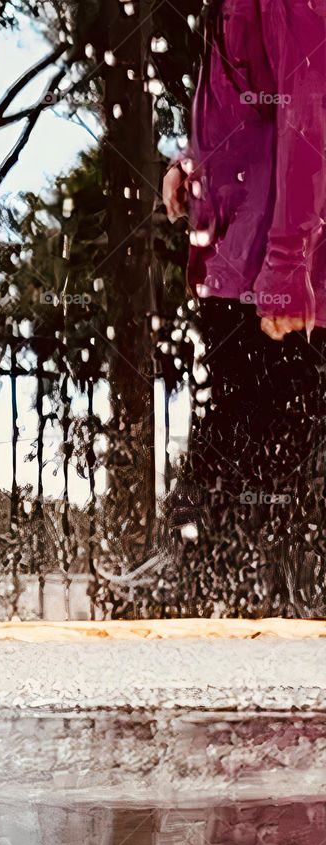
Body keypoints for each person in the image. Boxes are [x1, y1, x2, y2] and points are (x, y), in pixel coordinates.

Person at [161, 0, 326, 613]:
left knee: (264, 481)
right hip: (241, 266)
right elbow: (255, 105)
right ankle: (201, 589)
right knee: (230, 467)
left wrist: (287, 267)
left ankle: (211, 595)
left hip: (276, 281)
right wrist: (194, 162)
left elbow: (310, 114)